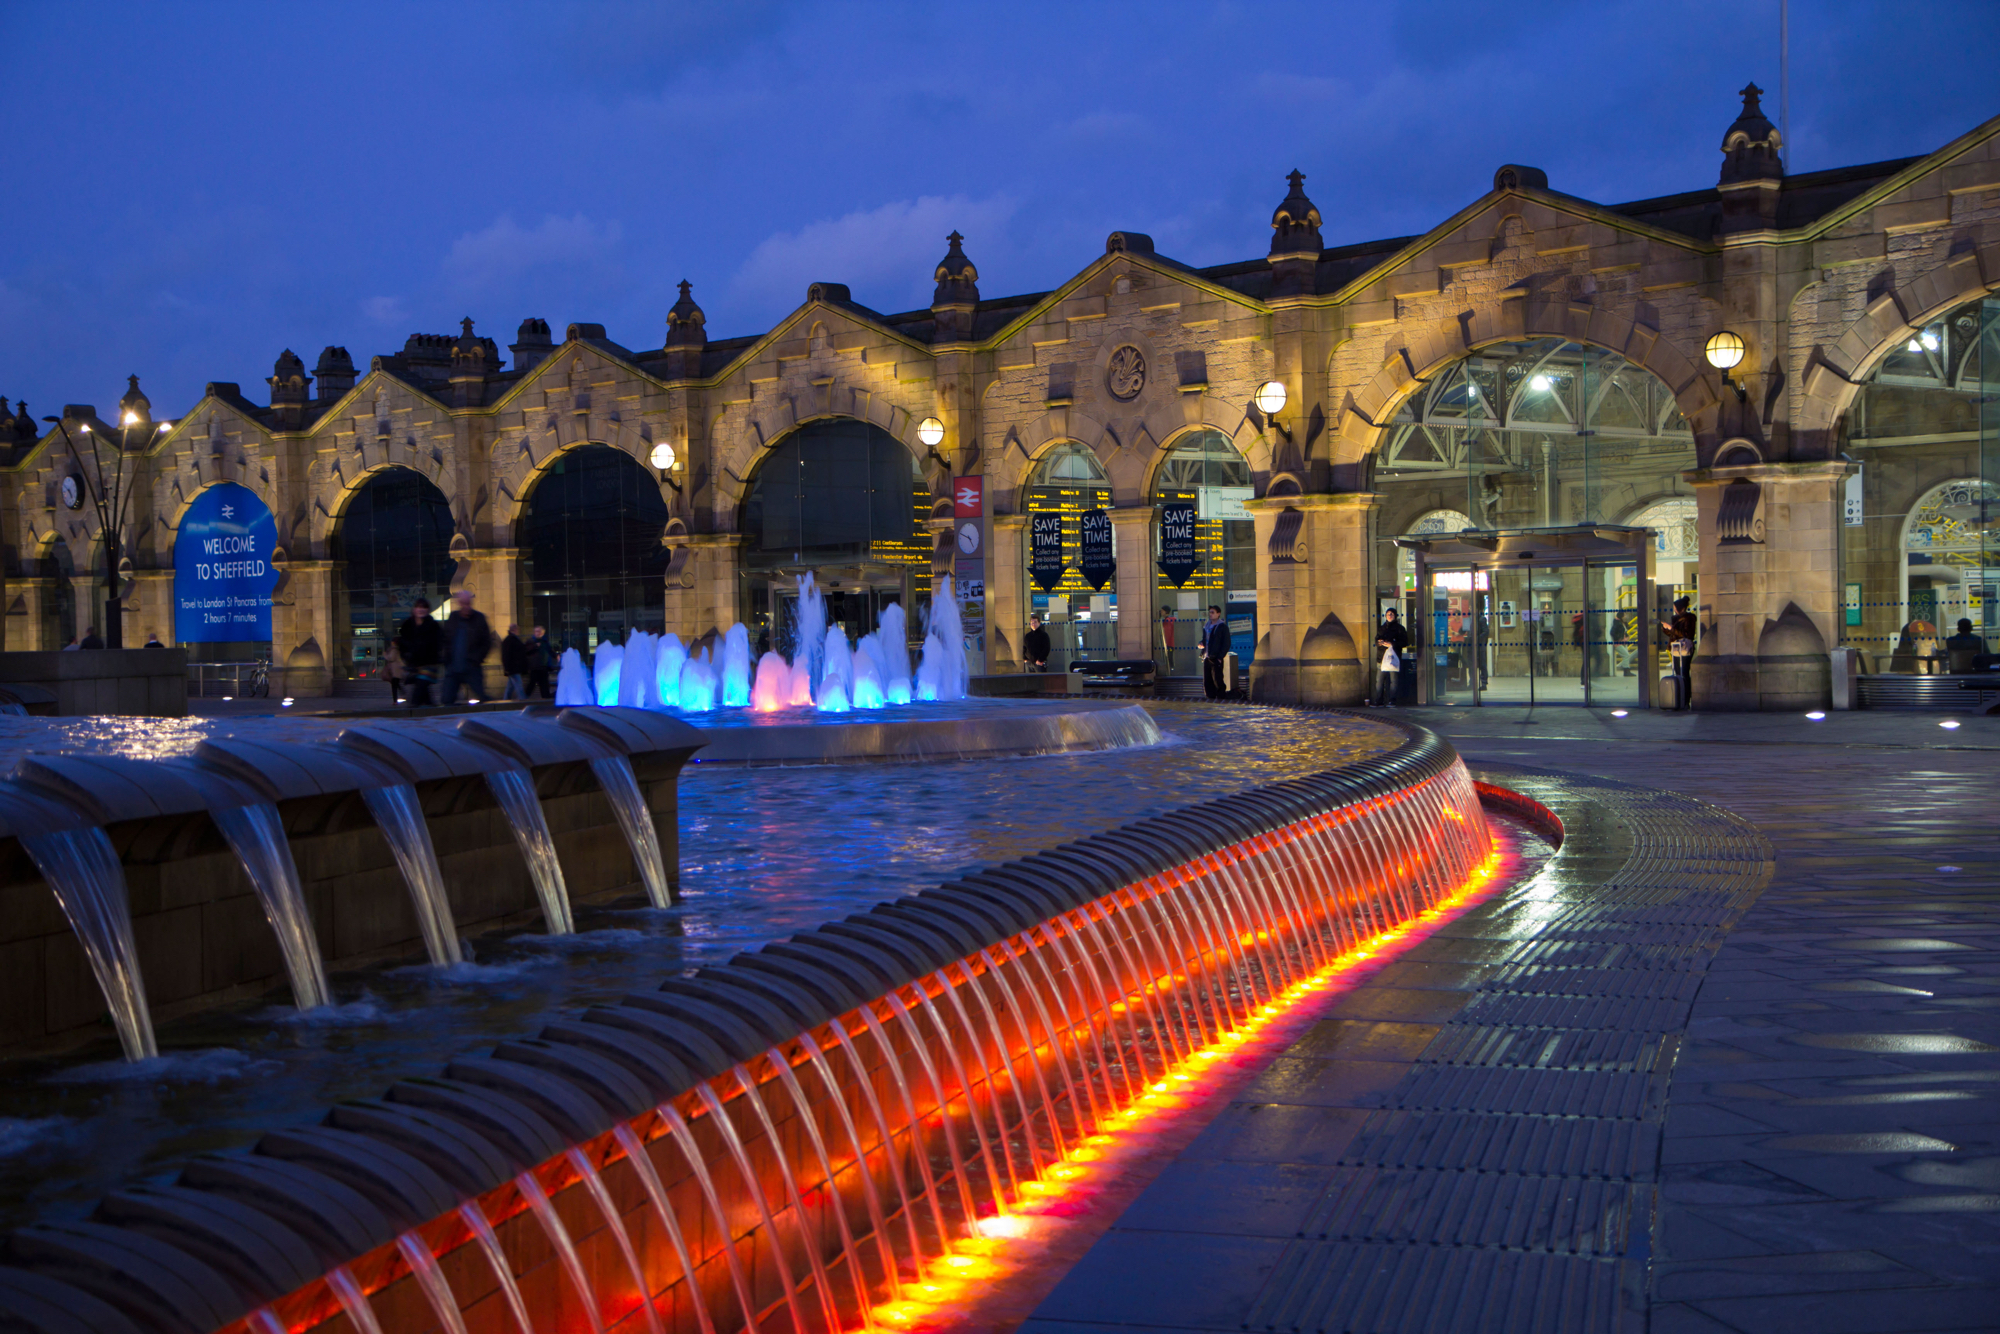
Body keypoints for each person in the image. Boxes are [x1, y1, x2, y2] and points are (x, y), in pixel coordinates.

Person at [439, 589, 493, 705]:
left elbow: (487, 642)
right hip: (453, 667)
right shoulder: (453, 618)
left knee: (482, 697)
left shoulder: (479, 618)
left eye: (468, 603)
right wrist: (446, 659)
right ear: (459, 603)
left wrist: (477, 658)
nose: (466, 607)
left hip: (471, 666)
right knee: (447, 700)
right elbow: (445, 639)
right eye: (464, 603)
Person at [396, 598, 443, 707]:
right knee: (425, 694)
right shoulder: (407, 625)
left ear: (428, 610)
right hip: (414, 665)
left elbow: (439, 644)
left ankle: (414, 712)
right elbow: (402, 644)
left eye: (424, 607)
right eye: (418, 607)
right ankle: (431, 710)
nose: (421, 610)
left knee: (418, 693)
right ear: (414, 609)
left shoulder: (433, 626)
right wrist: (406, 658)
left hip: (429, 664)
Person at [1660, 596, 1698, 711]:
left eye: (1675, 607)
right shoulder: (1676, 618)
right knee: (1678, 672)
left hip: (1684, 649)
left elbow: (1685, 634)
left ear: (1680, 608)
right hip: (1675, 648)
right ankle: (1679, 699)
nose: (1674, 609)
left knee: (1684, 673)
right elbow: (1673, 635)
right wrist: (1666, 628)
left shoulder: (1689, 618)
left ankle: (1686, 700)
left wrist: (1671, 628)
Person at [1374, 608, 1410, 706]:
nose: (1390, 615)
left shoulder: (1399, 628)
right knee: (1379, 681)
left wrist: (1392, 644)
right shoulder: (1382, 628)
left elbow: (1404, 642)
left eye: (1392, 614)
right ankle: (1379, 700)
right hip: (1381, 657)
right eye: (1388, 614)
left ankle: (1392, 700)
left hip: (1393, 658)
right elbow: (1376, 640)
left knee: (1394, 681)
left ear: (1395, 616)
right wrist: (1379, 643)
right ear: (1385, 615)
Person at [1200, 604, 1230, 699]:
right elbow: (1205, 640)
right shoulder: (1207, 626)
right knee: (1207, 680)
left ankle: (1221, 697)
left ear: (1218, 614)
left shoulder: (1222, 627)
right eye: (1210, 612)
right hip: (1207, 656)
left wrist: (1220, 656)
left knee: (1217, 679)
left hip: (1216, 657)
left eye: (1213, 612)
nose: (1210, 614)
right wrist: (1201, 644)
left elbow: (1226, 643)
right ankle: (1210, 696)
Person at [525, 625, 553, 698]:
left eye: (539, 631)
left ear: (542, 633)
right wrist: (535, 646)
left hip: (543, 667)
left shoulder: (545, 641)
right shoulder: (530, 641)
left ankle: (546, 699)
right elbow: (526, 651)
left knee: (544, 685)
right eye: (536, 631)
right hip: (535, 668)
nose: (537, 633)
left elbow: (550, 651)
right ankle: (523, 699)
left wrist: (556, 656)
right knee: (532, 684)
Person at [500, 624, 527, 701]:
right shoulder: (511, 640)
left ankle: (505, 701)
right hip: (514, 667)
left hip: (512, 667)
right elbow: (507, 655)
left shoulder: (509, 640)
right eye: (518, 630)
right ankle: (523, 701)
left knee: (510, 687)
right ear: (515, 630)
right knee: (519, 687)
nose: (519, 631)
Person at [383, 639, 405, 704]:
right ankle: (403, 693)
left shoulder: (394, 650)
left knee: (394, 685)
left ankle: (395, 700)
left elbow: (391, 658)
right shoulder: (397, 650)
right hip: (397, 670)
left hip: (394, 670)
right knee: (396, 684)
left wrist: (385, 655)